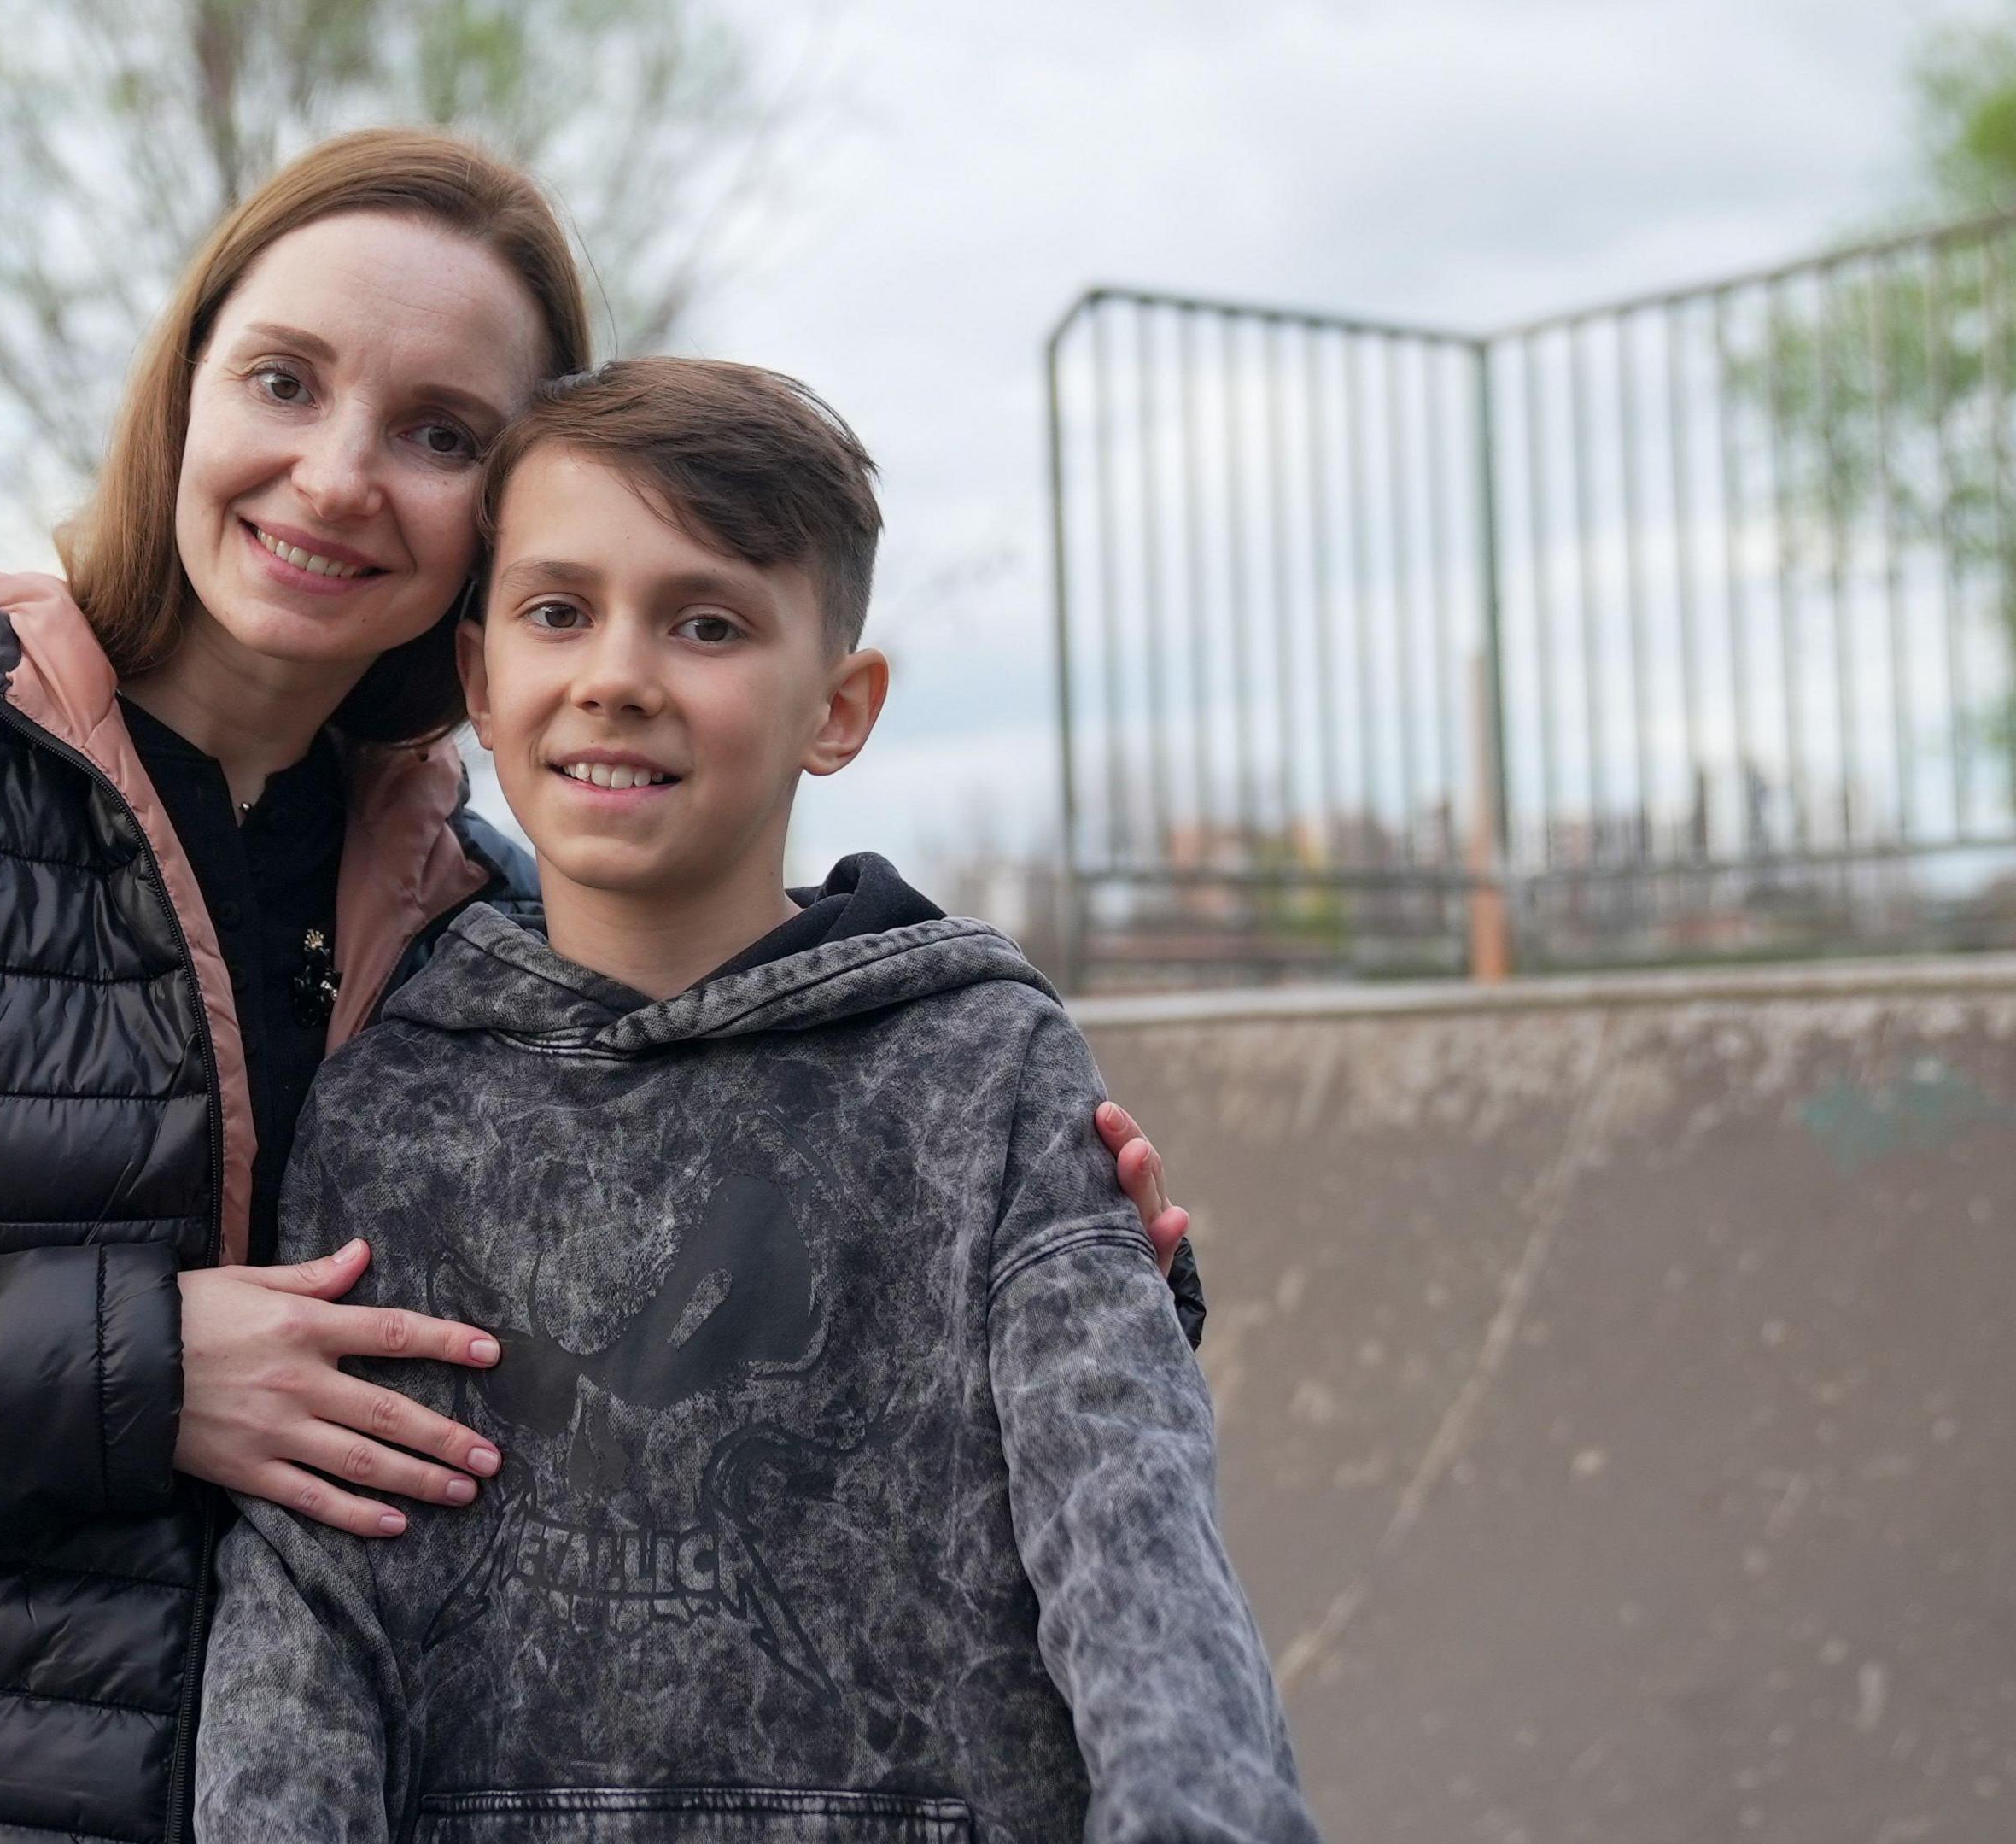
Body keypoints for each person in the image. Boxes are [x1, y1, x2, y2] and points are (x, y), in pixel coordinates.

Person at [0, 132, 1192, 1844]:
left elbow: (674, 1369)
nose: (337, 475)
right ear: (186, 388)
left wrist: (1057, 1290)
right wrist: (143, 1370)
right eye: (284, 381)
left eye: (441, 434)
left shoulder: (476, 913)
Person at [195, 358, 1310, 1842]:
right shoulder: (390, 1099)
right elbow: (305, 1615)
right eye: (556, 611)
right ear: (479, 679)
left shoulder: (980, 1070)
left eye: (706, 623)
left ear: (836, 708)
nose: (617, 674)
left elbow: (1138, 1554)